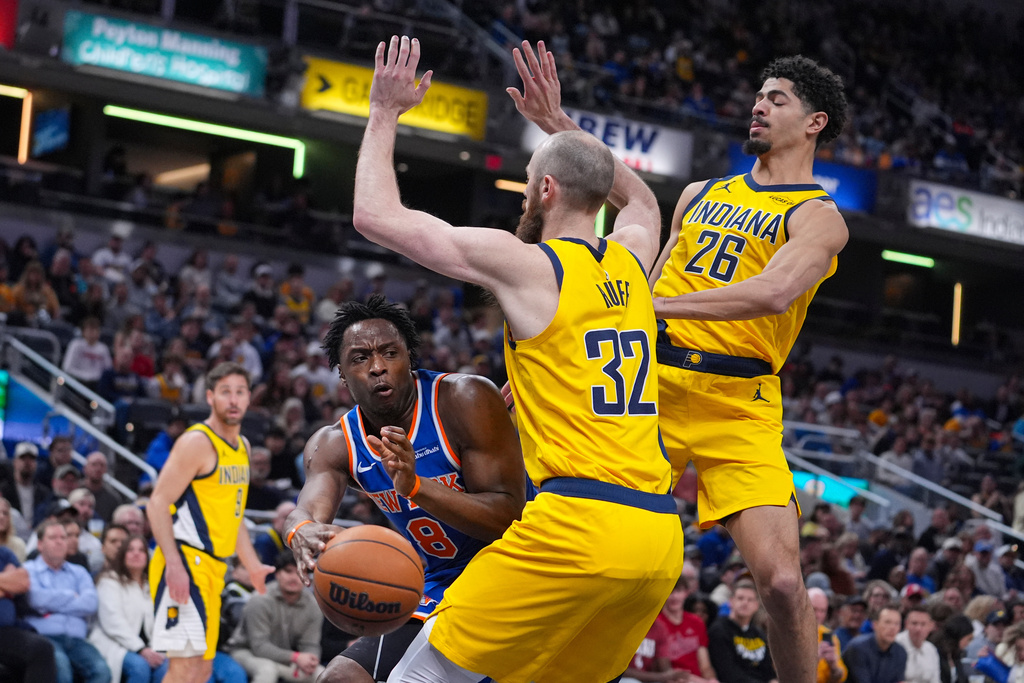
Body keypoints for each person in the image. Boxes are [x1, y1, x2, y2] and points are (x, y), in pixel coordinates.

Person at [349, 37, 684, 682]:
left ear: (549, 189)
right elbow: (643, 203)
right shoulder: (633, 258)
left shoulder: (531, 266)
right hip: (657, 542)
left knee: (417, 678)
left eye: (529, 186)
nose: (524, 199)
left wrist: (385, 110)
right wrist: (560, 125)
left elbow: (374, 214)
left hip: (575, 526)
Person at [649, 54, 850, 683]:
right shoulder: (698, 193)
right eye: (759, 95)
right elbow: (647, 285)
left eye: (778, 98)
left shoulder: (818, 217)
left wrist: (654, 303)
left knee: (786, 583)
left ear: (815, 122)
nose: (758, 105)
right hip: (652, 384)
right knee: (603, 552)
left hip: (740, 402)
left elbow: (771, 293)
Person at [286, 296, 528, 683]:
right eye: (360, 358)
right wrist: (298, 532)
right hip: (437, 582)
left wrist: (416, 486)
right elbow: (307, 511)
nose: (378, 366)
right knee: (340, 678)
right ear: (342, 376)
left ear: (409, 359)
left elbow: (508, 519)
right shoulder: (334, 443)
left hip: (516, 568)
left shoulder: (463, 399)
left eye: (389, 353)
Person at [146, 362, 274, 683]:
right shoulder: (196, 443)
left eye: (240, 392)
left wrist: (253, 565)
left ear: (248, 399)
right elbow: (157, 504)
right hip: (186, 561)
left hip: (215, 569)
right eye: (225, 392)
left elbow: (234, 515)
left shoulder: (243, 447)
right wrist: (174, 565)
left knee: (203, 669)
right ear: (210, 397)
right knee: (184, 668)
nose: (233, 400)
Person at [24, 519, 111, 683]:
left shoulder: (79, 572)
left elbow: (90, 603)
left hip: (76, 639)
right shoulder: (28, 569)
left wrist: (51, 602)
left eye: (63, 538)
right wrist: (72, 596)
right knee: (62, 672)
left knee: (102, 672)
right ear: (40, 544)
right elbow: (35, 599)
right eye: (53, 538)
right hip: (44, 637)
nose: (59, 542)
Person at [227, 551, 324, 683]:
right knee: (267, 670)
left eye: (299, 572)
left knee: (321, 673)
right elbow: (259, 647)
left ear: (307, 578)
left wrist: (310, 660)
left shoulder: (313, 605)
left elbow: (310, 644)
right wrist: (296, 657)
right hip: (246, 651)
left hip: (286, 656)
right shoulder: (260, 599)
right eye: (288, 571)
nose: (294, 577)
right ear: (277, 574)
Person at [90, 535, 168, 683]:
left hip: (150, 647)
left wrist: (156, 650)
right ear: (122, 555)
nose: (136, 554)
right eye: (130, 550)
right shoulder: (109, 581)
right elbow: (113, 621)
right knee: (140, 668)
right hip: (116, 645)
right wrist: (140, 649)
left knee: (166, 668)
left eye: (141, 550)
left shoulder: (151, 586)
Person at [625, 575, 719, 682]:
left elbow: (705, 665)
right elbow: (663, 671)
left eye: (678, 591)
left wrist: (711, 679)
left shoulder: (696, 622)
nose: (674, 597)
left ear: (686, 593)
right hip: (675, 678)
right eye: (670, 592)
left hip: (694, 678)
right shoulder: (655, 623)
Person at [0, 541, 58, 681]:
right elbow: (14, 583)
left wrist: (12, 584)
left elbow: (22, 582)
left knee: (42, 648)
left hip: (5, 630)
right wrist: (6, 584)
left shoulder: (4, 553)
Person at [707, 580, 778, 682]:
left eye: (750, 600)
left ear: (756, 605)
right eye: (740, 598)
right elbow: (728, 673)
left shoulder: (759, 634)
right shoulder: (719, 630)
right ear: (731, 602)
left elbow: (769, 672)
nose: (745, 603)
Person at [842, 607, 907, 683]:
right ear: (875, 625)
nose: (892, 628)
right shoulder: (858, 648)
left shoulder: (901, 652)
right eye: (887, 622)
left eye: (897, 623)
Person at [808, 587, 848, 682]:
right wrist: (814, 659)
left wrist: (833, 666)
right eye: (814, 609)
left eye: (822, 611)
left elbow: (839, 677)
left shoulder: (829, 636)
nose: (818, 615)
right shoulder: (788, 634)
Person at [896, 605, 941, 683]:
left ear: (931, 626)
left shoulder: (931, 649)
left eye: (923, 624)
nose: (918, 629)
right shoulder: (895, 645)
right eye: (914, 623)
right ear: (906, 624)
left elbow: (936, 680)